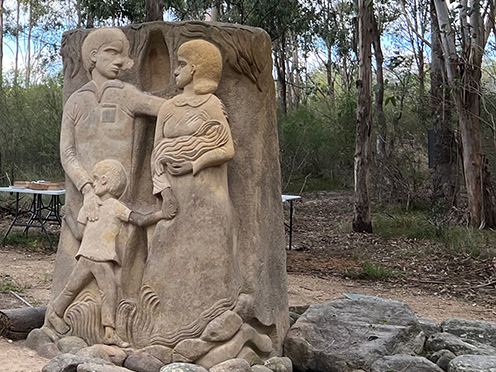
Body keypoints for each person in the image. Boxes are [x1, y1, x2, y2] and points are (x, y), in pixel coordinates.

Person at [135, 39, 241, 345]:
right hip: (175, 201)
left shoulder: (211, 105)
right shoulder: (169, 107)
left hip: (208, 200)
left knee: (208, 264)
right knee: (164, 259)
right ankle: (162, 332)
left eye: (181, 65)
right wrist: (165, 192)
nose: (176, 71)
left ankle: (208, 333)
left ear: (195, 69)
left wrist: (194, 163)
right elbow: (157, 156)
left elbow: (227, 148)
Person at [47, 159, 165, 347]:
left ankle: (56, 312)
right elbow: (79, 234)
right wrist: (68, 216)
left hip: (90, 258)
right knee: (109, 292)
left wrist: (160, 214)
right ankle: (109, 332)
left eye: (95, 180)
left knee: (73, 288)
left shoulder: (115, 206)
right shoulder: (91, 206)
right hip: (96, 259)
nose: (92, 184)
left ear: (105, 181)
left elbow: (140, 221)